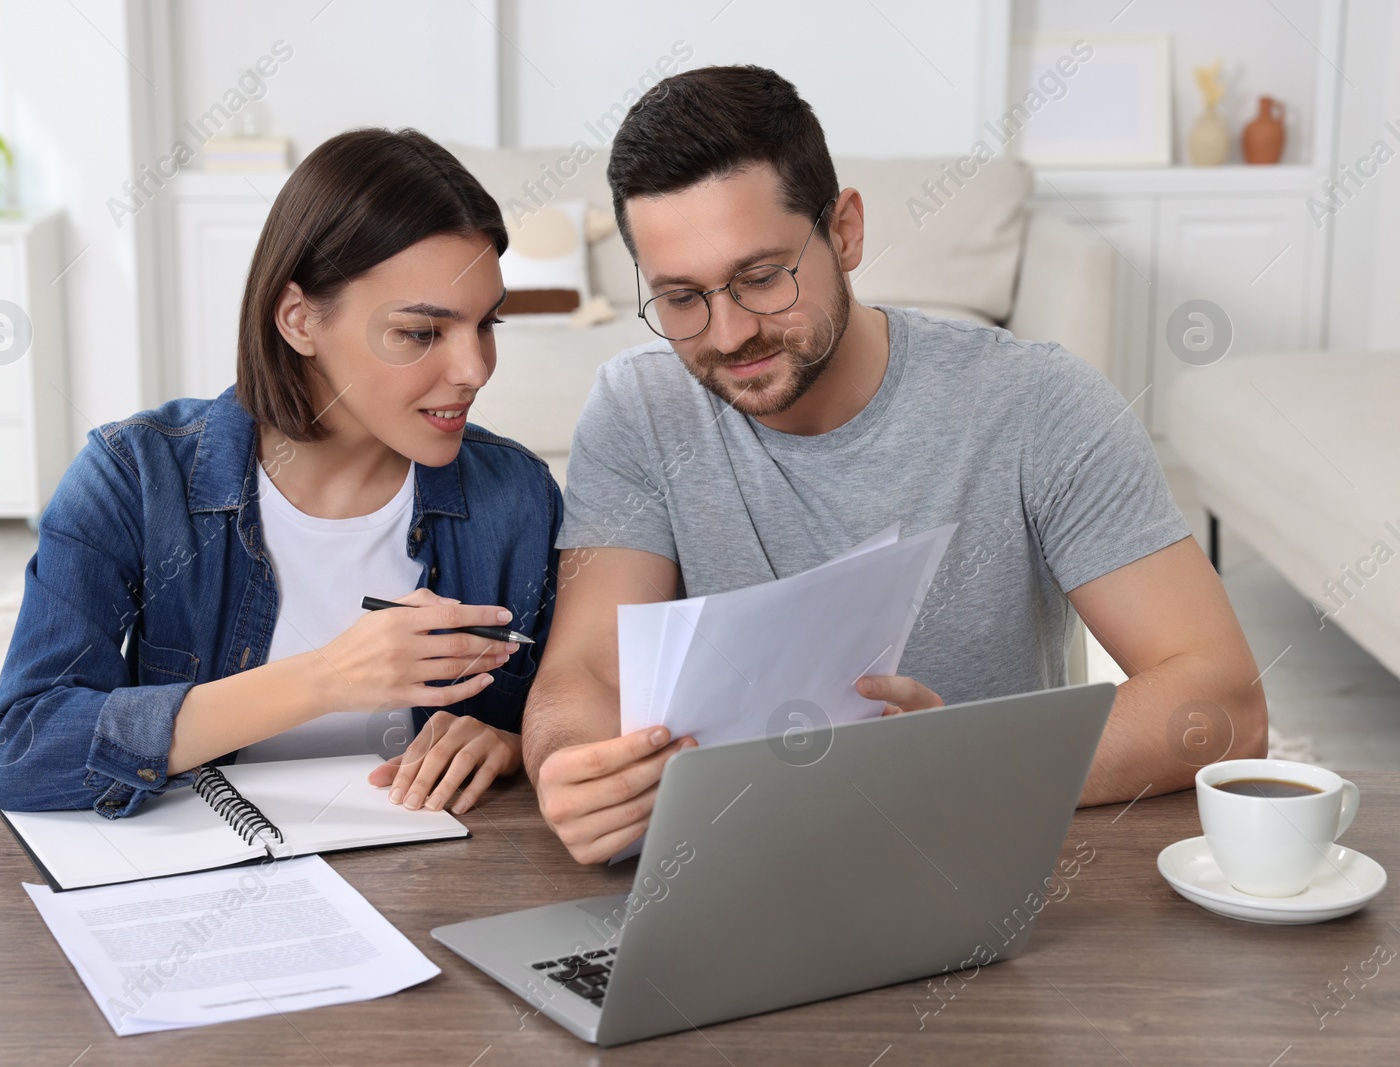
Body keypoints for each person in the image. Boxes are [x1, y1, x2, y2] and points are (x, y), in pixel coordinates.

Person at [523, 66, 1267, 864]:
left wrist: (946, 767)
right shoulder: (638, 408)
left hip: (984, 862)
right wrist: (570, 763)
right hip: (740, 867)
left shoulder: (1036, 403)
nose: (728, 331)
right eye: (680, 297)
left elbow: (1223, 699)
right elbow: (584, 672)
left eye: (763, 277)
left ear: (844, 231)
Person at [0, 128, 560, 820]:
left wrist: (512, 741)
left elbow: (590, 709)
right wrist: (325, 678)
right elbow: (25, 749)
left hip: (432, 887)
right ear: (298, 320)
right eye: (421, 332)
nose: (474, 369)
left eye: (486, 324)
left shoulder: (518, 498)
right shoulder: (134, 479)